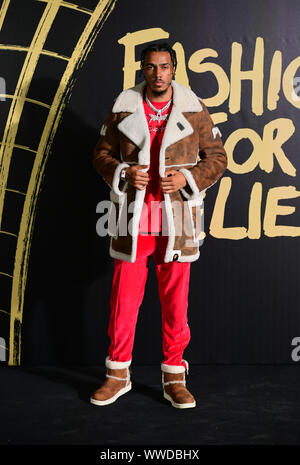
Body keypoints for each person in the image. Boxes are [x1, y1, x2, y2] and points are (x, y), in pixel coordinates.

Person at [90, 43, 227, 409]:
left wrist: (187, 179)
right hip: (133, 220)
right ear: (143, 70)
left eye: (164, 67)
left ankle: (173, 377)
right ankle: (117, 374)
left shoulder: (194, 109)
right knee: (123, 302)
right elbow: (101, 154)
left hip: (177, 221)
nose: (158, 74)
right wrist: (123, 171)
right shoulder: (123, 107)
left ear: (174, 69)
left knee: (175, 305)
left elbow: (217, 157)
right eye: (151, 68)